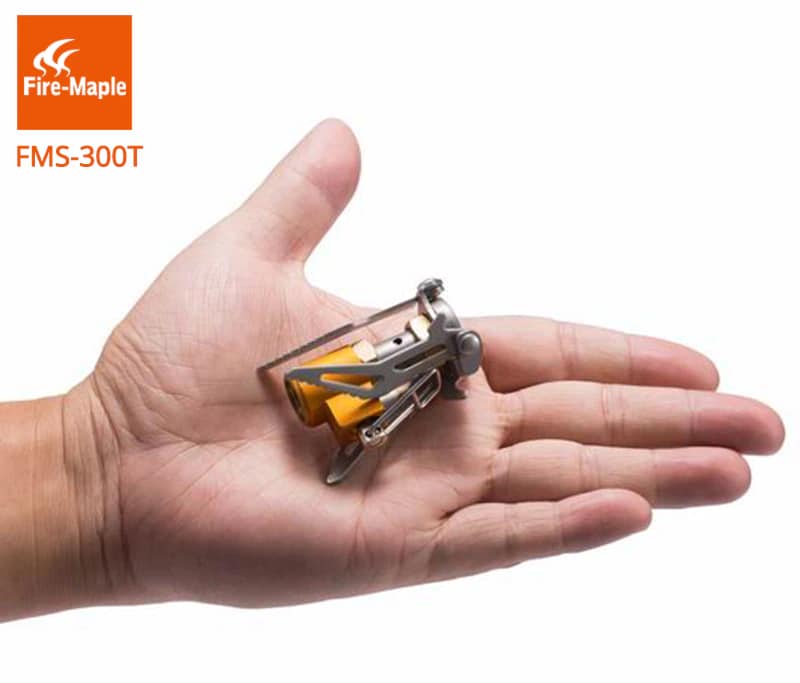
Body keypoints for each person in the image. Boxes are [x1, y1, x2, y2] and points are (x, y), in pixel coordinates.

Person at [0, 120, 784, 622]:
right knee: (351, 394)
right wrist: (99, 464)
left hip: (371, 386)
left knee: (363, 396)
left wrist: (97, 479)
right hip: (356, 386)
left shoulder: (421, 370)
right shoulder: (402, 364)